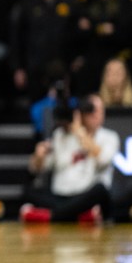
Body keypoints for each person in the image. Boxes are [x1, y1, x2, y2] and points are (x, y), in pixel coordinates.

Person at [23, 94, 118, 223]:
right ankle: (80, 216)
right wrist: (38, 156)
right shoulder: (61, 135)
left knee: (101, 191)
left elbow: (103, 160)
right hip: (61, 196)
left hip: (85, 195)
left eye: (99, 110)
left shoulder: (110, 137)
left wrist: (80, 131)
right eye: (91, 111)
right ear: (81, 113)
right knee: (29, 191)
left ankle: (51, 216)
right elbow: (40, 168)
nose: (96, 115)